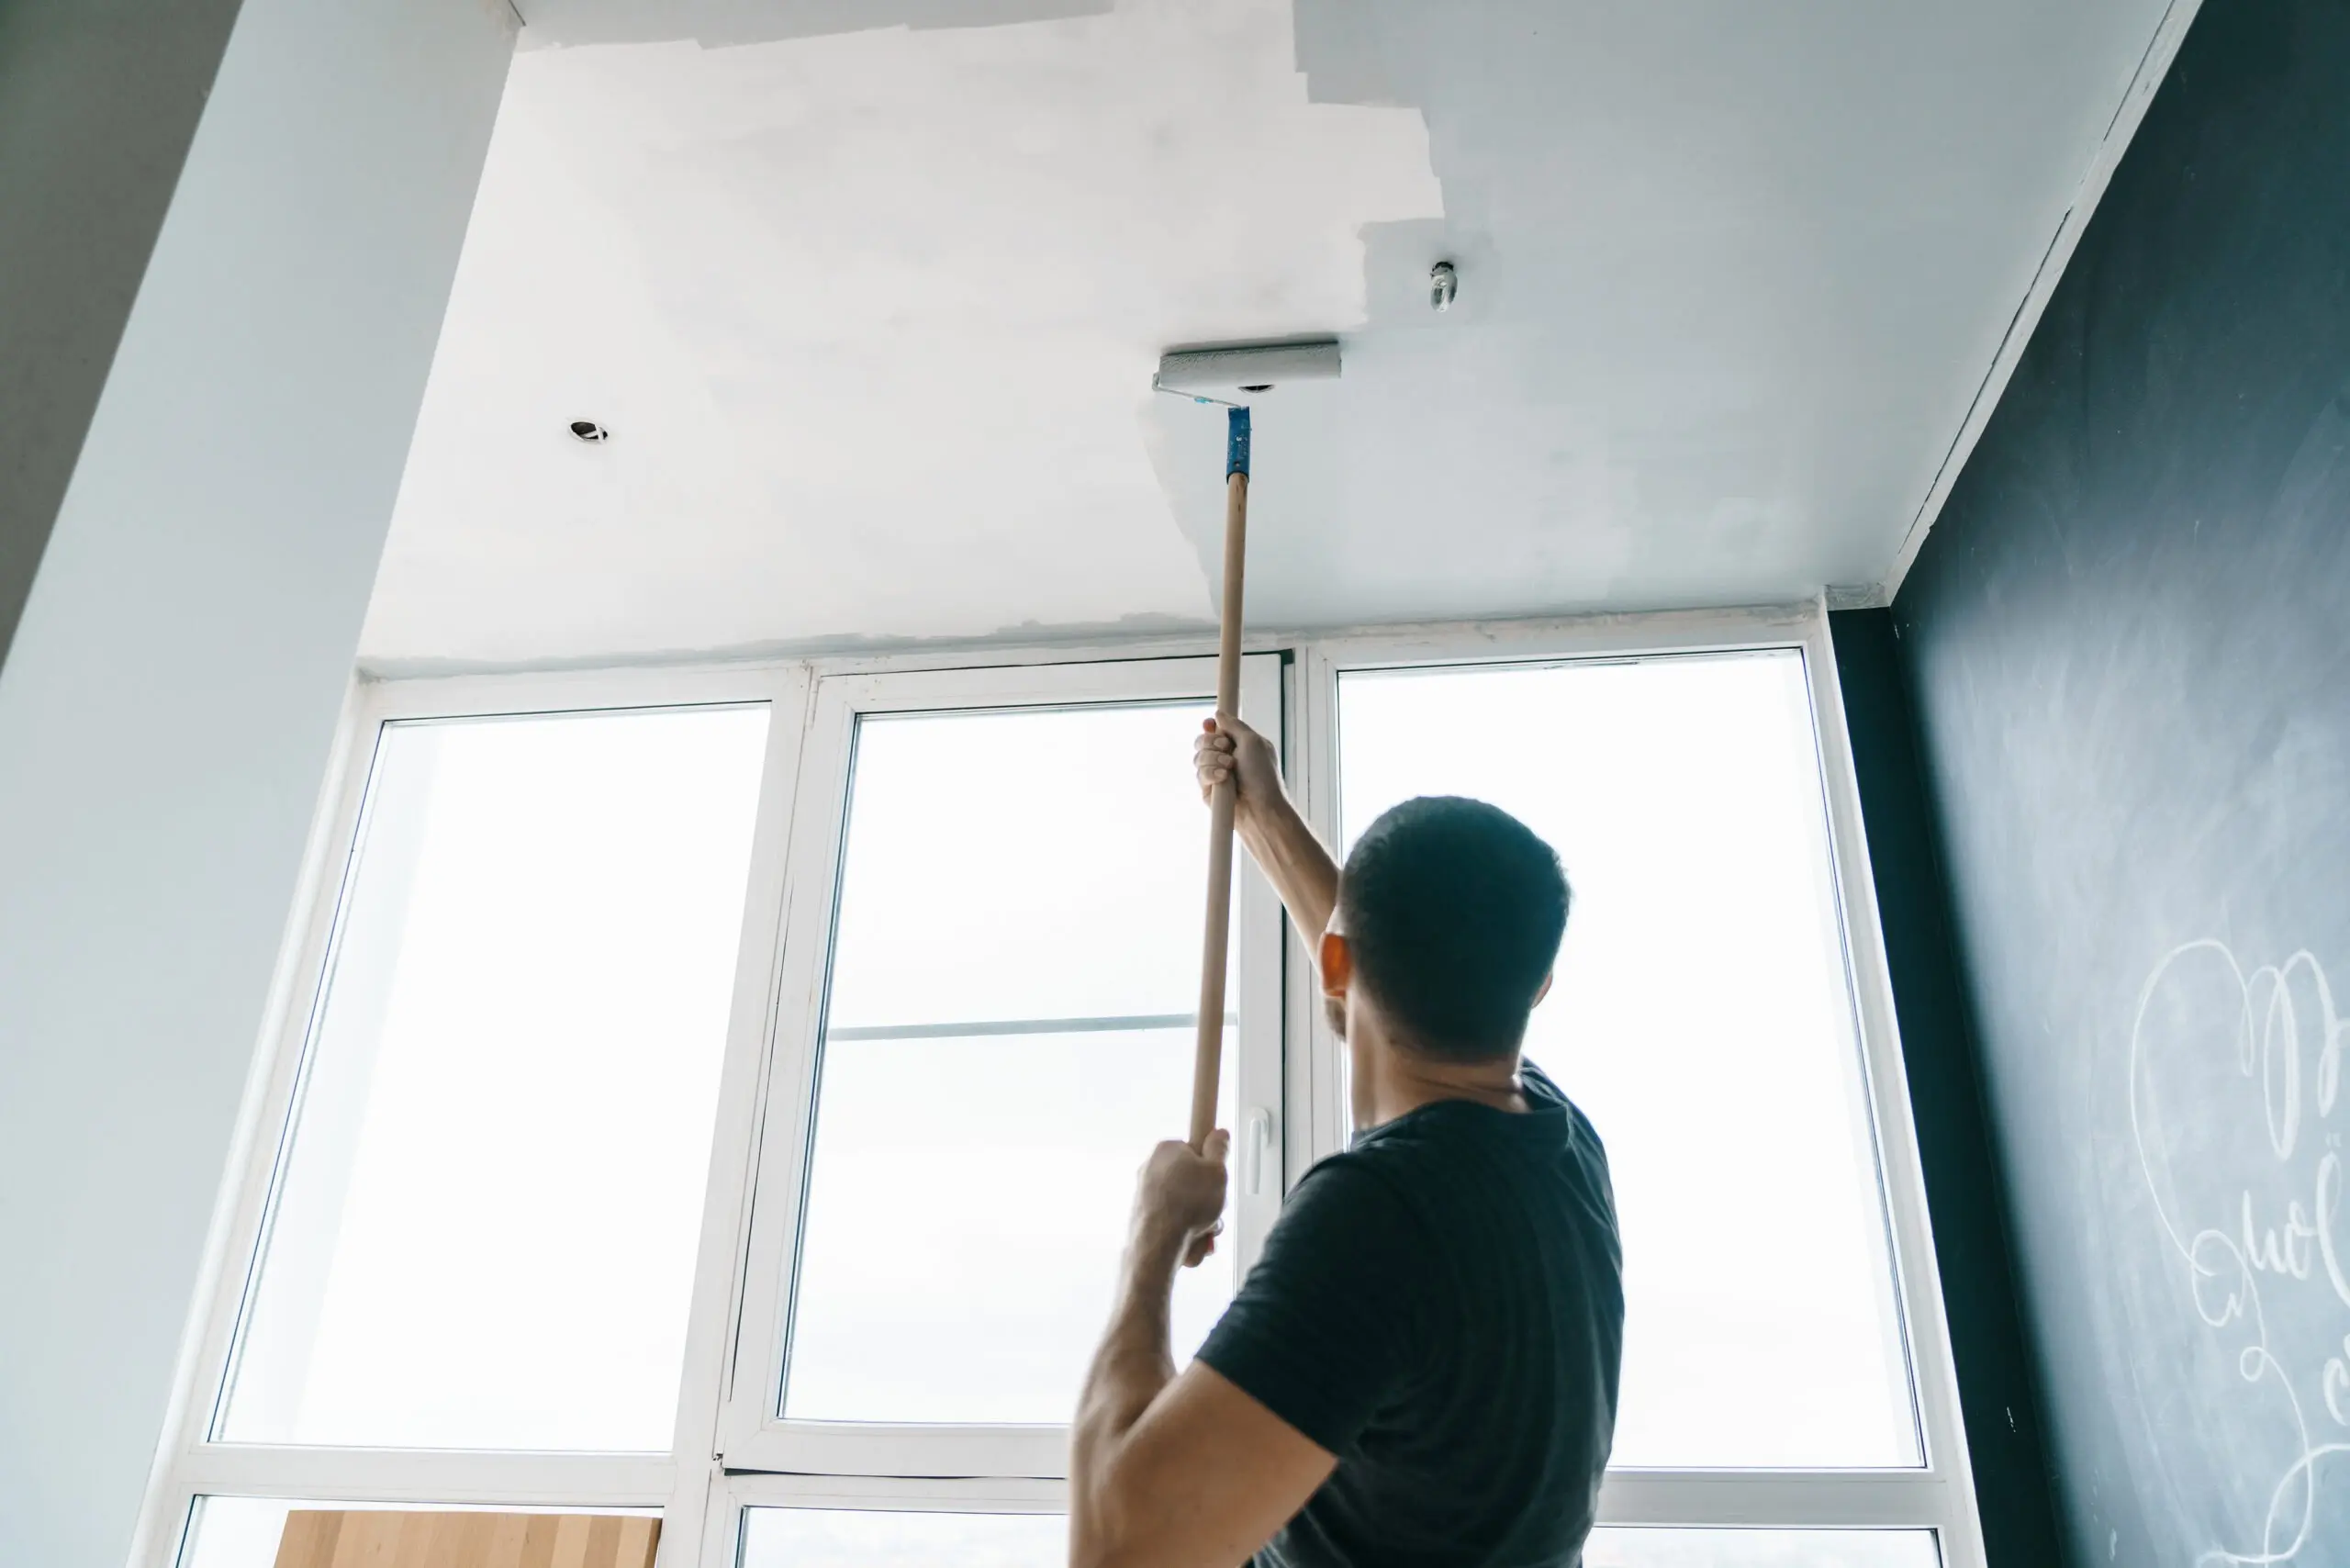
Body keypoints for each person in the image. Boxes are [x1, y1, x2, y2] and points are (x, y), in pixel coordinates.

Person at [1069, 715, 1625, 1568]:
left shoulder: (1379, 1220)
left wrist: (1154, 1233)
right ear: (1540, 983)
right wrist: (1264, 817)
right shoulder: (1560, 1142)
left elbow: (1118, 1549)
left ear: (1336, 959)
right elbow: (1390, 993)